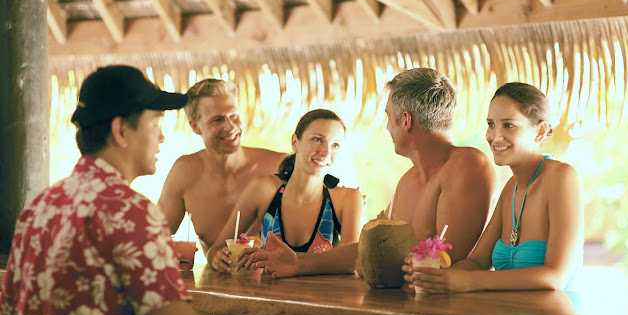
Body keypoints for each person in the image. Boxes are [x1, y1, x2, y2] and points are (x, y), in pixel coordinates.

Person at [0, 66, 324, 315]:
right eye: (155, 124)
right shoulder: (130, 212)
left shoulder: (42, 206)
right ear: (121, 131)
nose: (162, 138)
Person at [245, 68, 497, 277]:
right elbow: (370, 249)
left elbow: (446, 261)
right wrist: (299, 263)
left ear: (406, 120)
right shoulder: (408, 181)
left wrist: (374, 263)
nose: (387, 126)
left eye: (388, 116)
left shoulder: (467, 164)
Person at [403, 82, 584, 293]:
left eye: (508, 125)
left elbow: (555, 277)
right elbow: (477, 263)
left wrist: (467, 282)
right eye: (491, 124)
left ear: (540, 131)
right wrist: (434, 275)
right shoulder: (512, 187)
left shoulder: (561, 178)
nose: (495, 136)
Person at [207, 109, 365, 272]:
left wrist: (295, 262)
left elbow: (351, 262)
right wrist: (218, 260)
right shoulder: (262, 189)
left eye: (335, 145)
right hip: (268, 295)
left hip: (322, 297)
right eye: (317, 140)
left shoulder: (349, 199)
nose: (325, 152)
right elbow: (214, 251)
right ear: (295, 142)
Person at [158, 78, 285, 252]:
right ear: (195, 127)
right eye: (217, 120)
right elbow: (155, 240)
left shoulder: (277, 167)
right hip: (216, 279)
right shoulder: (184, 172)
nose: (230, 126)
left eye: (234, 116)